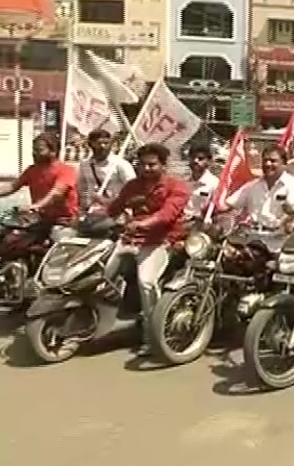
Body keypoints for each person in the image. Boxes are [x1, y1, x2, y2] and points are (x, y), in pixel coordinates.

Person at [102, 143, 190, 356]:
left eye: (152, 165)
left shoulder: (177, 186)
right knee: (101, 274)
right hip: (129, 239)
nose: (147, 169)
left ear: (163, 165)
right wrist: (95, 214)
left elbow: (167, 215)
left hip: (160, 240)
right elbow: (113, 209)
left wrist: (143, 224)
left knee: (147, 282)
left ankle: (152, 336)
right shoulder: (132, 185)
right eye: (143, 165)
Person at [0, 133, 78, 225]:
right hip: (40, 219)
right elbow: (12, 186)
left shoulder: (66, 170)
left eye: (39, 150)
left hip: (63, 221)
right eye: (34, 149)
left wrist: (37, 205)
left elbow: (56, 193)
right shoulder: (32, 170)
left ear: (53, 151)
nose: (34, 153)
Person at [76, 129, 136, 213]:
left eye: (106, 143)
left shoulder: (120, 164)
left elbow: (133, 189)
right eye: (99, 143)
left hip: (116, 212)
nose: (103, 146)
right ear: (91, 144)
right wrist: (83, 208)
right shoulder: (85, 165)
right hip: (92, 212)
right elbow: (82, 188)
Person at [183, 144, 219, 220]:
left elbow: (216, 209)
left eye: (200, 158)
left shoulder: (214, 183)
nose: (196, 161)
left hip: (199, 224)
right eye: (193, 157)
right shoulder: (183, 181)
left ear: (208, 161)